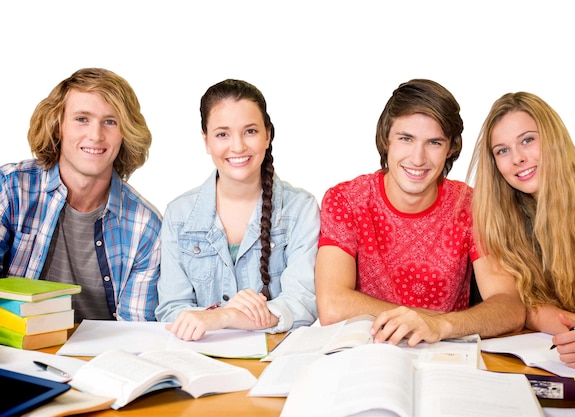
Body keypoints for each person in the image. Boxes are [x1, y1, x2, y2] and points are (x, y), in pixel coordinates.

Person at [315, 79, 525, 346]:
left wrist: (440, 325)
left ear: (451, 148)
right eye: (406, 139)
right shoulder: (345, 200)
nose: (417, 158)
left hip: (445, 353)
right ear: (385, 140)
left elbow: (510, 308)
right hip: (368, 355)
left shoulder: (471, 206)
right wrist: (419, 319)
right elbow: (332, 306)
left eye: (434, 143)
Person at [468, 91, 575, 369]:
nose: (517, 158)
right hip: (527, 369)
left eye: (527, 140)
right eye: (502, 150)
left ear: (553, 139)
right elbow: (511, 307)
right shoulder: (496, 220)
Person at [155, 79, 319, 340]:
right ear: (206, 140)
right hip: (199, 357)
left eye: (250, 131)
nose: (238, 146)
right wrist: (219, 317)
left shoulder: (300, 209)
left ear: (268, 135)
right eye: (222, 134)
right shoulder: (179, 215)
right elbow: (171, 308)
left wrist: (227, 317)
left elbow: (302, 304)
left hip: (275, 361)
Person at [0, 68, 161, 322]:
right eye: (82, 119)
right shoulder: (11, 189)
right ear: (58, 125)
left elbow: (136, 332)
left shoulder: (145, 227)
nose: (96, 135)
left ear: (125, 134)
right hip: (15, 353)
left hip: (101, 358)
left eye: (110, 121)